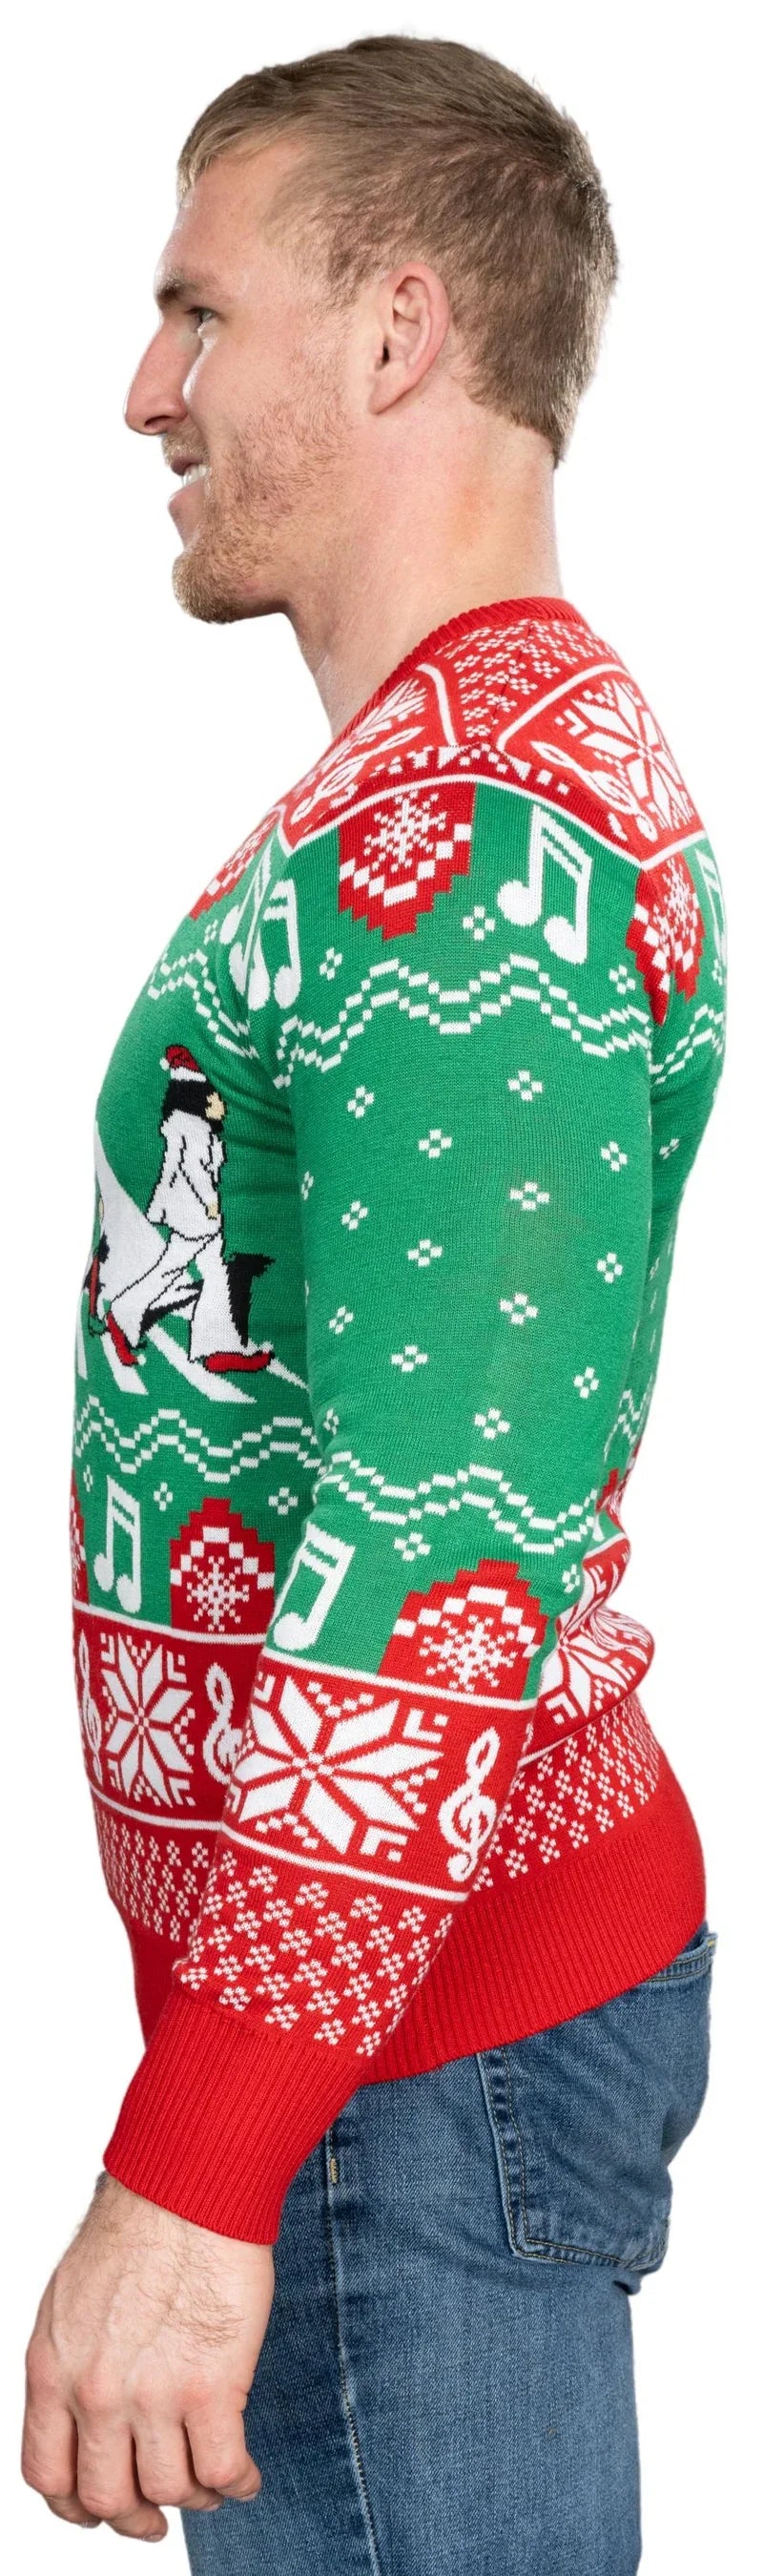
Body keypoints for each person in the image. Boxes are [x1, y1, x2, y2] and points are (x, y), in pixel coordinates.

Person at [21, 34, 727, 2574]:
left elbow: (454, 1524)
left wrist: (199, 2161)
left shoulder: (473, 835)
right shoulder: (428, 786)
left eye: (200, 312)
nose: (149, 391)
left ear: (399, 326)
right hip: (387, 2031)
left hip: (414, 2052)